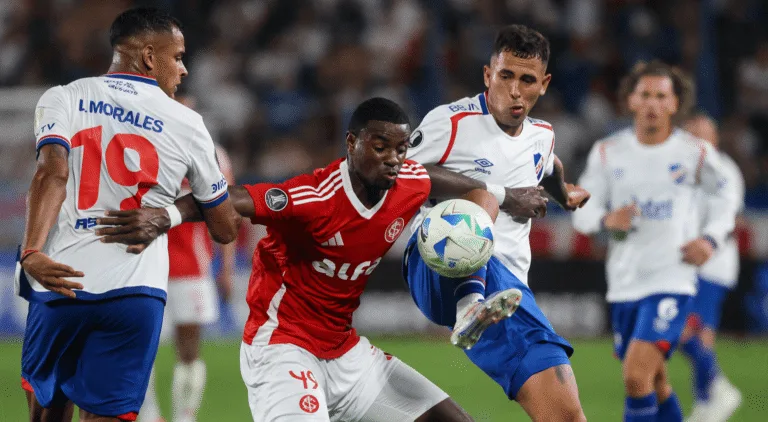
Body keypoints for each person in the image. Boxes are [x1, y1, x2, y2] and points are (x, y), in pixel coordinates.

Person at [17, 7, 238, 422]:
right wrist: (168, 215)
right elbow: (226, 225)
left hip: (61, 281)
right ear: (150, 57)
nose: (184, 70)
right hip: (135, 291)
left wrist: (31, 251)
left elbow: (52, 174)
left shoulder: (62, 96)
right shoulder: (188, 122)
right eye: (178, 57)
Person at [402, 24, 590, 421]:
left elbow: (547, 165)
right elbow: (401, 172)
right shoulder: (451, 122)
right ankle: (470, 305)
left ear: (545, 84)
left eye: (527, 79)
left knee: (565, 414)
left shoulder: (542, 134)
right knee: (483, 195)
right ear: (488, 74)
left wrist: (563, 193)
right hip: (436, 266)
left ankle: (478, 311)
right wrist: (502, 194)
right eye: (505, 76)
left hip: (508, 291)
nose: (515, 90)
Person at [573, 61, 738, 422]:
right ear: (630, 100)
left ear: (674, 104)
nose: (652, 103)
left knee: (635, 376)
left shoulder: (694, 153)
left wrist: (709, 239)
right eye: (644, 94)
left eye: (661, 96)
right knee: (656, 381)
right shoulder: (608, 152)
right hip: (624, 283)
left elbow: (727, 197)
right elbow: (581, 210)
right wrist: (605, 219)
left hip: (672, 280)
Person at [139, 97, 238, 422]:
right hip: (145, 263)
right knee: (142, 347)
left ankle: (185, 417)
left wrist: (225, 268)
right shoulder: (141, 147)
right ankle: (150, 415)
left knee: (189, 348)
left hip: (191, 268)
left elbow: (226, 212)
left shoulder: (212, 153)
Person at [680, 113, 744, 422]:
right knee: (698, 334)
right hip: (692, 265)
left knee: (684, 329)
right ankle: (706, 403)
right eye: (691, 135)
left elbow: (727, 220)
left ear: (714, 139)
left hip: (712, 264)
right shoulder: (685, 170)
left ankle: (718, 389)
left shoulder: (724, 170)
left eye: (702, 135)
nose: (697, 141)